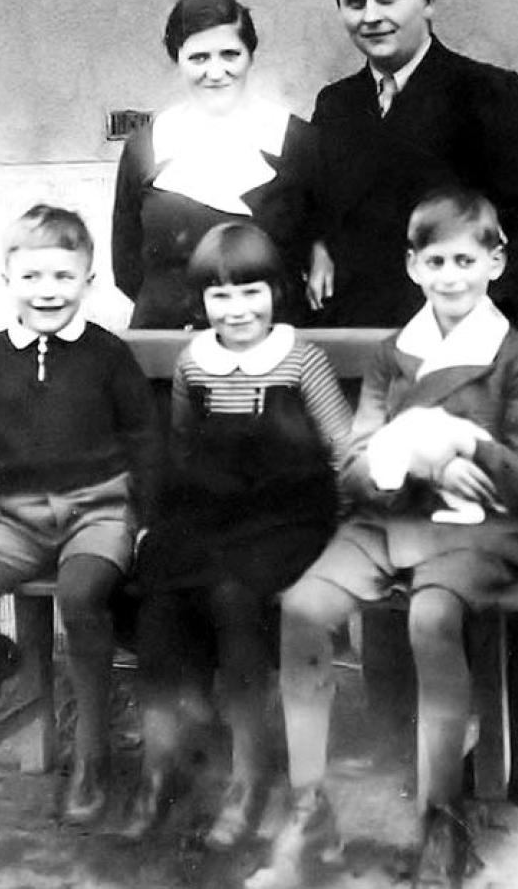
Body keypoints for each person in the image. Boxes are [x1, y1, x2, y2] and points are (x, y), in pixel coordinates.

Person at [308, 0, 518, 807]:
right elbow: (321, 212)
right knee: (388, 537)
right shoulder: (337, 107)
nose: (372, 15)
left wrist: (488, 320)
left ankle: (517, 740)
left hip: (473, 365)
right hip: (382, 363)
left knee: (481, 535)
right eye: (355, 0)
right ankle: (401, 735)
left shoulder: (486, 93)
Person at [247, 186, 518, 889]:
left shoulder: (517, 358)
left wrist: (466, 441)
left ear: (495, 261)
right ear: (413, 267)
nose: (450, 276)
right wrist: (407, 454)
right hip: (390, 518)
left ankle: (442, 819)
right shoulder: (393, 356)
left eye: (464, 259)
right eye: (435, 261)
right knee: (301, 609)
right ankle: (309, 809)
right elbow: (356, 465)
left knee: (431, 614)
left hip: (483, 532)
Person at [0, 205, 161, 825]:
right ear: (7, 281)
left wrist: (147, 517)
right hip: (18, 517)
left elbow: (144, 438)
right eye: (31, 277)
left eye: (62, 276)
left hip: (98, 510)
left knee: (84, 595)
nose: (47, 291)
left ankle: (92, 755)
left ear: (88, 280)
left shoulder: (108, 357)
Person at [123, 222, 352, 848]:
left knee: (233, 596)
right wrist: (156, 526)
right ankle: (162, 765)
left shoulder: (300, 358)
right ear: (200, 306)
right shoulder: (195, 363)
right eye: (220, 297)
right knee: (162, 594)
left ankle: (251, 776)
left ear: (277, 291)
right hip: (214, 513)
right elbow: (183, 446)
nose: (239, 310)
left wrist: (351, 531)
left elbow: (342, 448)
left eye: (252, 292)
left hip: (289, 518)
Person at [111, 0, 329, 329]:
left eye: (230, 54)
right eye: (199, 58)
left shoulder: (297, 141)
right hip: (167, 344)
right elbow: (126, 265)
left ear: (250, 55)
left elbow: (324, 230)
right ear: (177, 59)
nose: (216, 72)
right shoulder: (145, 146)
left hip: (272, 348)